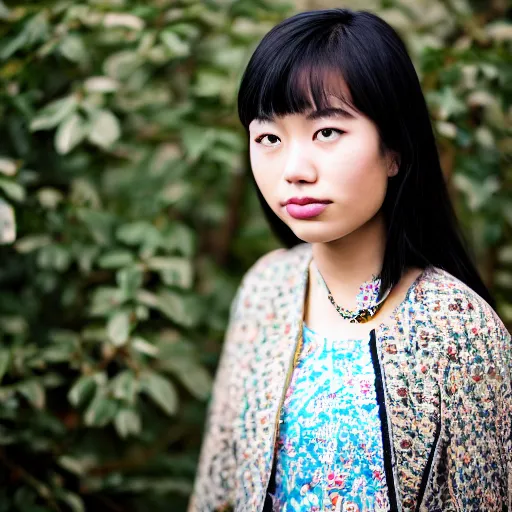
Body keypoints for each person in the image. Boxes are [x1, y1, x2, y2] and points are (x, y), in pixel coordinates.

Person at [188, 8, 511, 512]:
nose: (294, 170)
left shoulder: (461, 329)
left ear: (394, 150)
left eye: (327, 132)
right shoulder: (264, 290)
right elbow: (217, 487)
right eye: (269, 138)